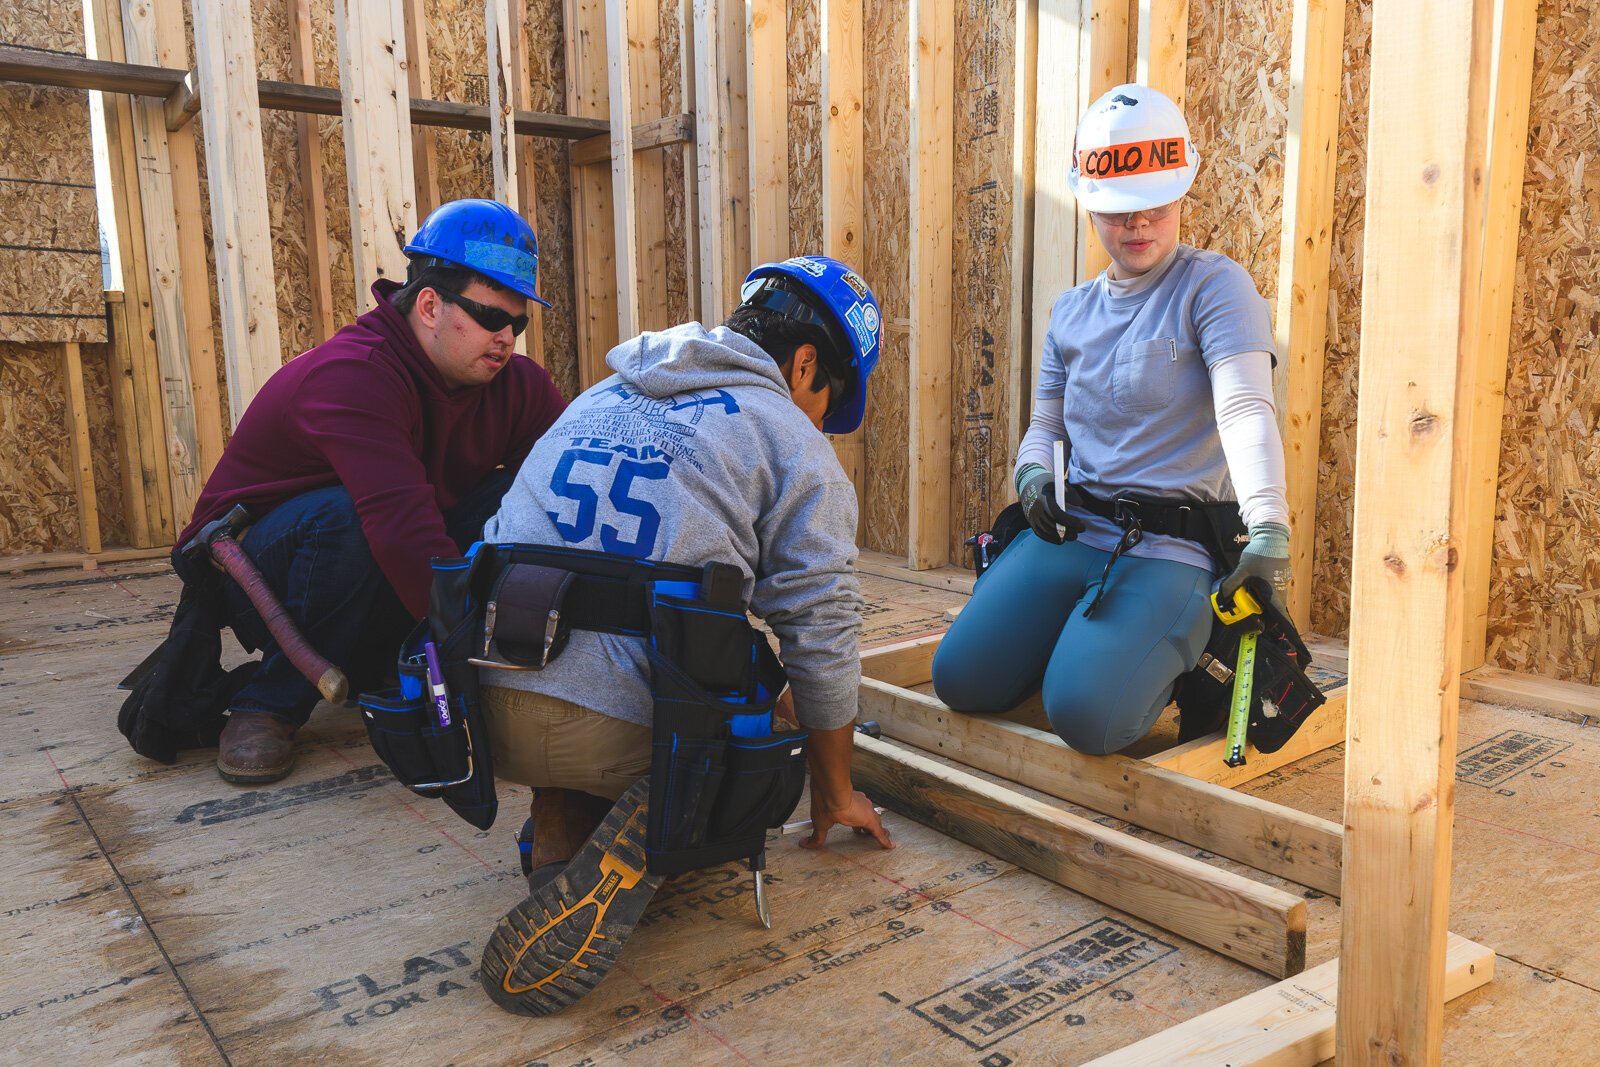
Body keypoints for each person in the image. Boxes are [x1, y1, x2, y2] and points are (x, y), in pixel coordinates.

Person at [473, 254, 893, 1015]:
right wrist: (835, 788)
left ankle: (558, 822)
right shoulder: (789, 441)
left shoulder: (601, 391)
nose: (824, 424)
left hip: (487, 706)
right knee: (783, 712)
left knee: (597, 626)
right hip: (622, 725)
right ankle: (669, 816)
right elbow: (824, 628)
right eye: (828, 402)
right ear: (803, 364)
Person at [121, 199, 567, 784]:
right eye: (490, 317)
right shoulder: (354, 375)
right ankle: (267, 703)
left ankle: (380, 657)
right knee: (351, 519)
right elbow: (402, 530)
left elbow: (569, 483)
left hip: (377, 558)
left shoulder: (517, 385)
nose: (508, 336)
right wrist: (469, 666)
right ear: (430, 305)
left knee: (523, 494)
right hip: (253, 571)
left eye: (520, 322)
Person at [932, 83, 1290, 756]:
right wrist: (1034, 477)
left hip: (1173, 548)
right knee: (960, 678)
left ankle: (1179, 648)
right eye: (1119, 210)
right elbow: (1046, 425)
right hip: (1078, 530)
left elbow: (1245, 407)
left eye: (1155, 205)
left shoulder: (1214, 287)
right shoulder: (1071, 312)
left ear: (1182, 191)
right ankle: (1089, 643)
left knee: (1087, 718)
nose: (1138, 225)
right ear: (1090, 202)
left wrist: (1268, 524)